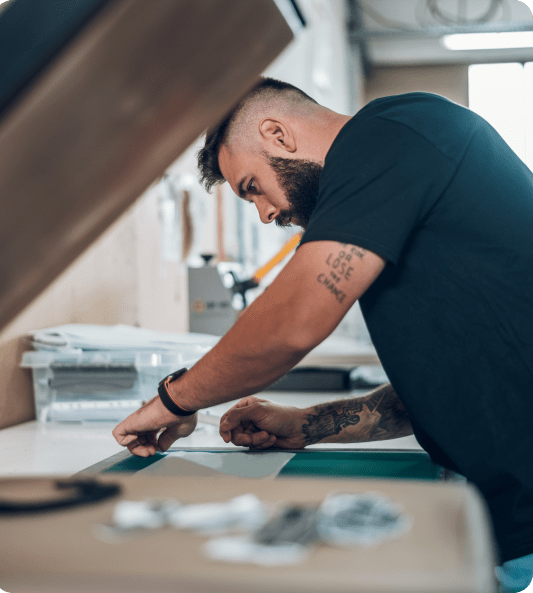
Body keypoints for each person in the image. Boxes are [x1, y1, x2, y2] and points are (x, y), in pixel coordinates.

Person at [113, 77, 533, 592]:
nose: (266, 213)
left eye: (251, 187)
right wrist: (307, 424)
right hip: (500, 517)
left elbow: (292, 324)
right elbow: (450, 384)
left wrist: (172, 401)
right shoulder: (399, 163)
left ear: (278, 135)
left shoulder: (389, 132)